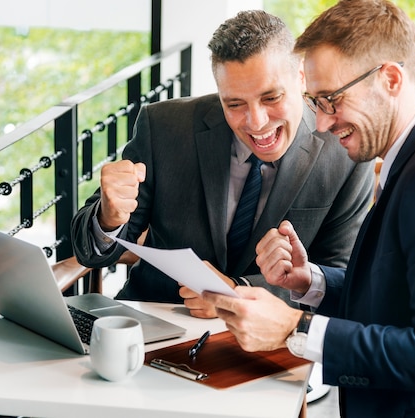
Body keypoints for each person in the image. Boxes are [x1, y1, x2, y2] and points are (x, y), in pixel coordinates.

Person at [202, 0, 415, 416]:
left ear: (391, 79)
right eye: (315, 102)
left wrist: (296, 327)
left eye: (332, 100)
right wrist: (310, 282)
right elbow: (398, 302)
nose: (322, 123)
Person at [70, 10, 375, 318]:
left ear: (300, 76)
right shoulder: (163, 127)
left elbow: (339, 279)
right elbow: (88, 252)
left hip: (270, 342)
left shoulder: (346, 154)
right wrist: (108, 219)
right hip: (154, 320)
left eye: (271, 98)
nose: (256, 122)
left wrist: (236, 291)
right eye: (235, 104)